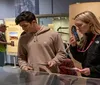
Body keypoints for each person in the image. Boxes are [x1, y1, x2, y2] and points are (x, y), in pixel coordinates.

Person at [70, 11, 100, 78]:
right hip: (88, 78)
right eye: (76, 26)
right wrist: (74, 46)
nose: (78, 28)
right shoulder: (85, 39)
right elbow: (81, 58)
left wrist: (91, 70)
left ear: (90, 23)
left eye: (80, 25)